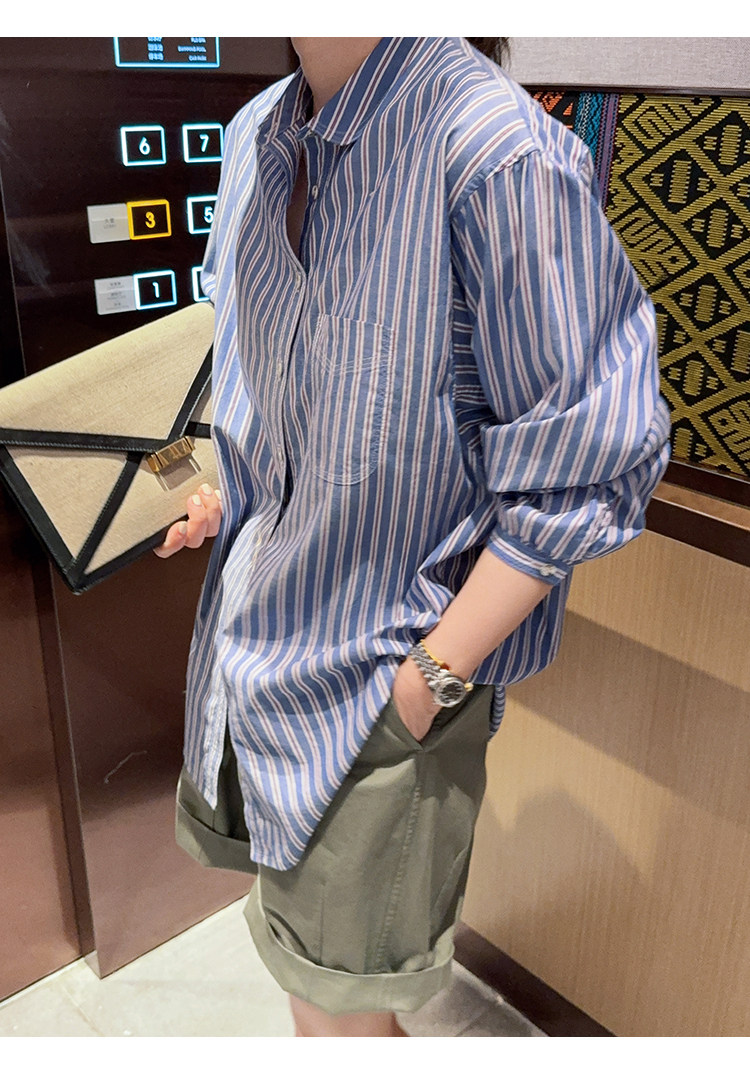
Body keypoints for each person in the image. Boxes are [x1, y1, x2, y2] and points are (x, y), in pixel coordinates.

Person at [154, 37, 672, 1036]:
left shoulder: (495, 151)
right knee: (307, 980)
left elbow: (591, 459)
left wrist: (430, 677)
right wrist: (225, 489)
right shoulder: (258, 132)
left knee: (341, 1014)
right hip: (252, 642)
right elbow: (284, 392)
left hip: (380, 681)